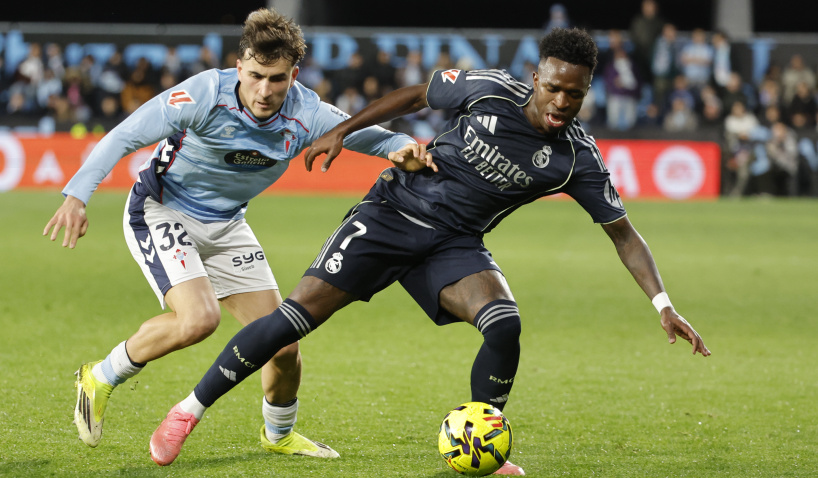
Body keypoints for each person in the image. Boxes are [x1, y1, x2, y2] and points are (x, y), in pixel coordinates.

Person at [149, 27, 711, 474]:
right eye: (554, 87)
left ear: (588, 90)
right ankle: (186, 412)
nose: (562, 100)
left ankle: (482, 444)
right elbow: (418, 95)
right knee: (293, 319)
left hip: (454, 246)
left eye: (576, 92)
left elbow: (624, 234)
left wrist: (664, 304)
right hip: (391, 215)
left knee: (505, 323)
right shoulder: (489, 87)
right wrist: (345, 131)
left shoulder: (575, 159)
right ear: (536, 77)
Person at [42, 7, 431, 460]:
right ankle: (100, 376)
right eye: (255, 76)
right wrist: (77, 196)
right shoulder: (204, 93)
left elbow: (374, 139)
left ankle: (278, 434)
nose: (264, 91)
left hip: (228, 223)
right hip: (163, 209)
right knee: (198, 320)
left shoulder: (307, 112)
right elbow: (125, 135)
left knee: (282, 343)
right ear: (239, 65)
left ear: (294, 74)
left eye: (277, 79)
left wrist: (404, 152)